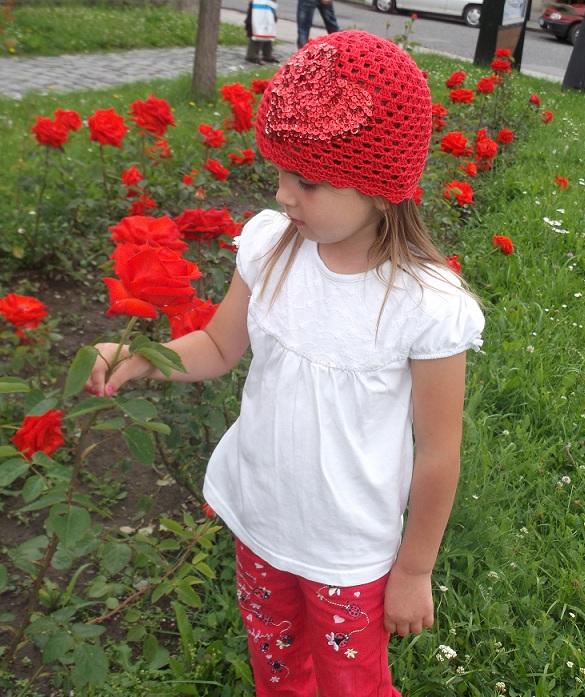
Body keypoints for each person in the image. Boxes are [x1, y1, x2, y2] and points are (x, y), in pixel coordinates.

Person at [86, 31, 484, 697]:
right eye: (280, 174)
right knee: (276, 670)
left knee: (352, 685)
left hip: (348, 554)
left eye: (307, 181)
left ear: (380, 186)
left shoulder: (423, 305)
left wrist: (415, 568)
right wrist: (142, 358)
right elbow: (218, 347)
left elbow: (439, 451)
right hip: (262, 521)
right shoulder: (273, 248)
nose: (284, 196)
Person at [245, 0, 279, 65]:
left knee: (268, 29)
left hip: (268, 4)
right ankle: (252, 55)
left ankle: (267, 54)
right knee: (257, 29)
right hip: (258, 4)